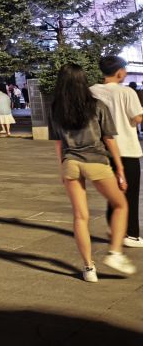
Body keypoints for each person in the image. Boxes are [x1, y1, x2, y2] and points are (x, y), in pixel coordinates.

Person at [49, 63, 136, 281]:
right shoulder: (97, 105)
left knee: (80, 216)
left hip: (70, 162)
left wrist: (62, 168)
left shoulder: (56, 109)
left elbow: (58, 143)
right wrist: (120, 169)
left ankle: (89, 268)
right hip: (96, 161)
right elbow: (109, 140)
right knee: (121, 205)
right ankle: (115, 253)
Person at [90, 55, 143, 248]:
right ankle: (131, 234)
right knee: (130, 194)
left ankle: (114, 230)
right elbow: (137, 117)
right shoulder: (126, 92)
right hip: (126, 149)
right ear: (120, 72)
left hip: (102, 150)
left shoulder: (91, 91)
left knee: (111, 193)